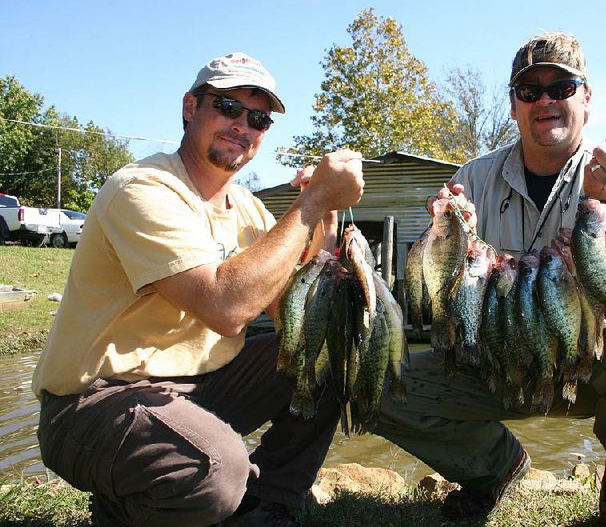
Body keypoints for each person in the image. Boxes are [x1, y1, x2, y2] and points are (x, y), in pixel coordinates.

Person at [32, 52, 364, 526]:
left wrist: (326, 213)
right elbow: (226, 307)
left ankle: (271, 505)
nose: (242, 126)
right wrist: (310, 203)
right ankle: (139, 502)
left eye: (258, 119)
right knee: (217, 469)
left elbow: (290, 307)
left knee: (325, 358)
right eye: (227, 107)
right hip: (97, 403)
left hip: (197, 391)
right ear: (191, 106)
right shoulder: (143, 188)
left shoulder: (248, 208)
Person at [376, 32, 606, 527]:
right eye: (529, 90)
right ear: (514, 106)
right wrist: (441, 236)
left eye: (561, 87)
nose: (545, 100)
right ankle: (492, 470)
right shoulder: (473, 177)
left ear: (587, 98)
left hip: (585, 362)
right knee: (375, 379)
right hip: (493, 362)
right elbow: (433, 299)